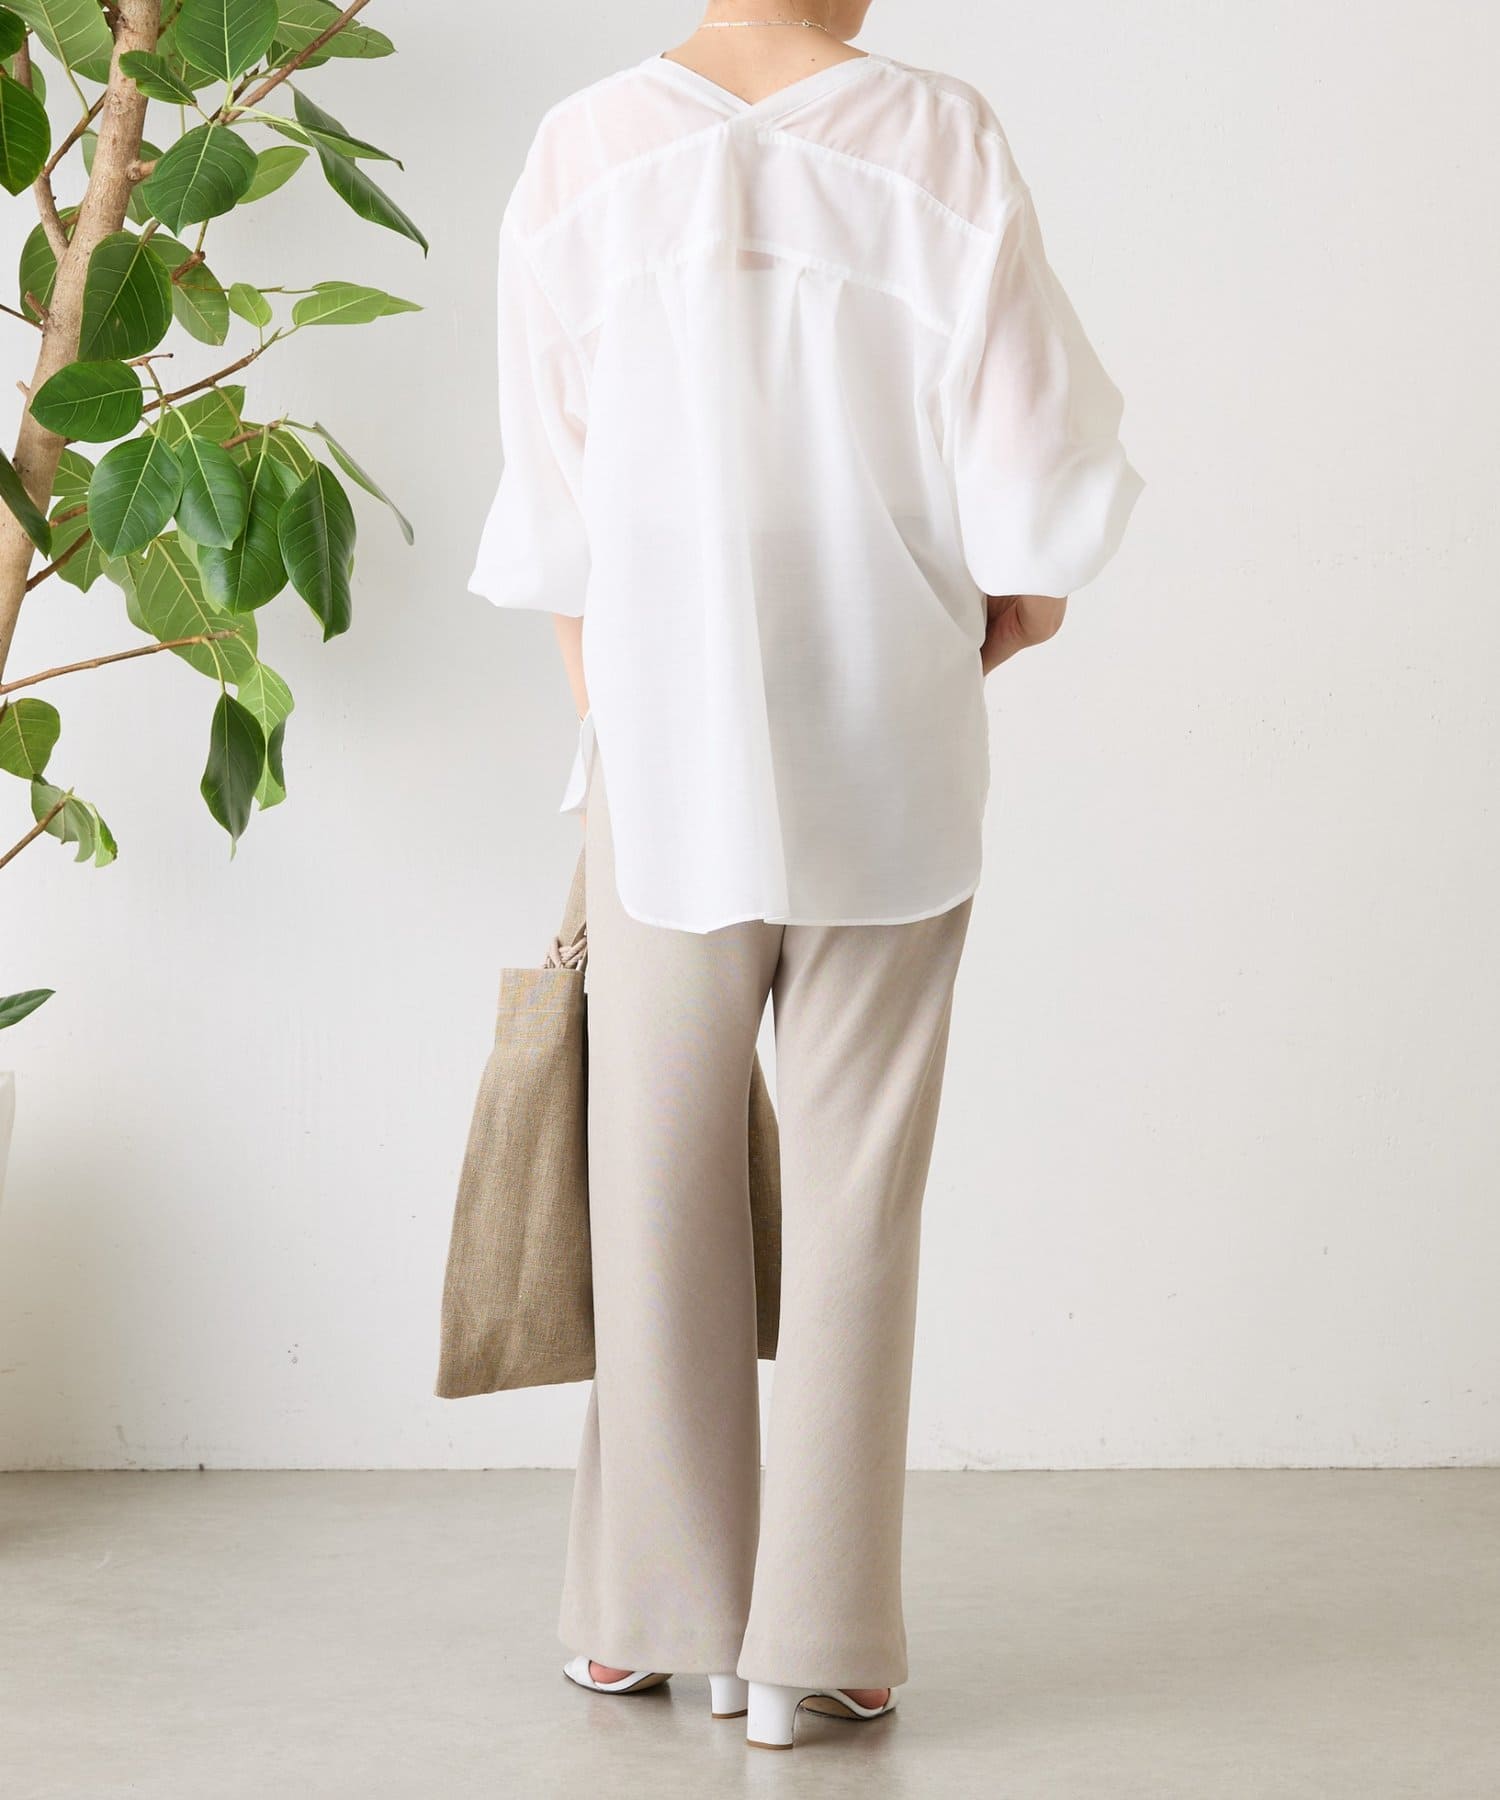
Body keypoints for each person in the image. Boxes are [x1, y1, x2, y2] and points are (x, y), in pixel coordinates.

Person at [468, 0, 1142, 1753]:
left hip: (661, 756)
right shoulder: (941, 137)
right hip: (888, 735)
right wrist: (986, 619)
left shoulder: (583, 150)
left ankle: (654, 1613)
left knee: (656, 1175)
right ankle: (819, 1647)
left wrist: (619, 712)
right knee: (857, 1192)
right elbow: (1037, 502)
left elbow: (555, 509)